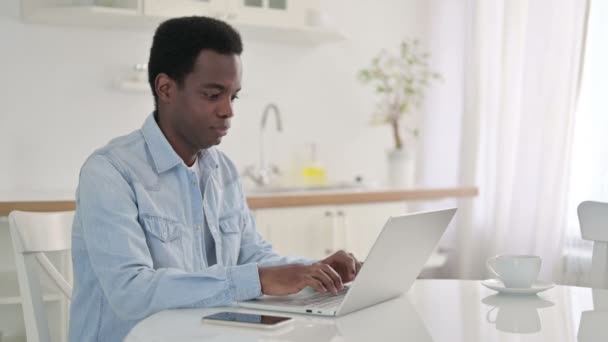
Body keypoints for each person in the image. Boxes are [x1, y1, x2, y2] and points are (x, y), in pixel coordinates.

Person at [68, 16, 361, 341]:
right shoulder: (109, 172)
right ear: (165, 88)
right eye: (212, 95)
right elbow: (131, 292)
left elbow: (251, 255)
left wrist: (315, 271)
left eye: (233, 97)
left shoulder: (222, 170)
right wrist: (259, 279)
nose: (228, 111)